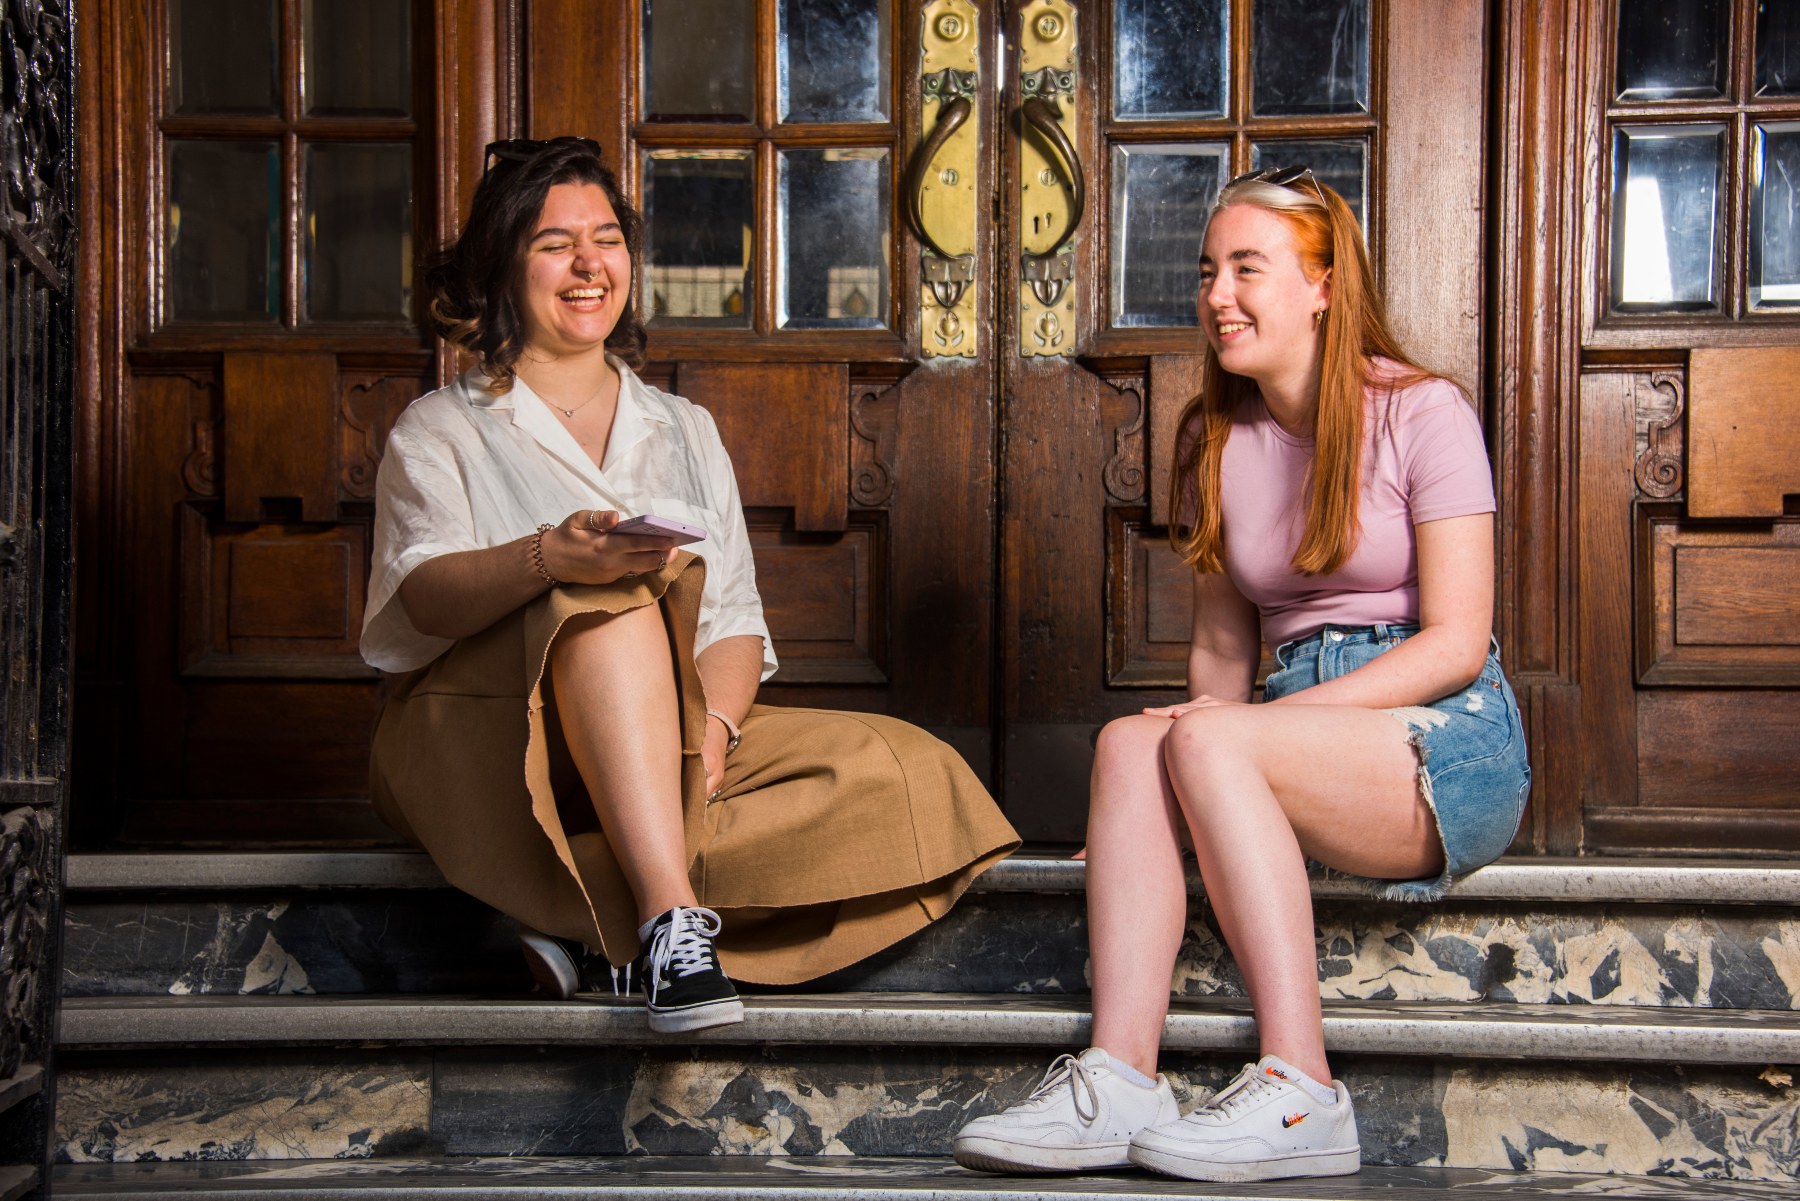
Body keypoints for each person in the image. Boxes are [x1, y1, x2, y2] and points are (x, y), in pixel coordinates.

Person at [360, 136, 1017, 1034]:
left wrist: (707, 742)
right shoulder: (441, 428)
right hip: (490, 747)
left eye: (607, 238)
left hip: (658, 741)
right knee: (609, 606)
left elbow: (736, 624)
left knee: (902, 771)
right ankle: (672, 923)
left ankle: (575, 920)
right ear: (500, 268)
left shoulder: (683, 427)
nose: (590, 264)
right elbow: (424, 600)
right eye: (556, 243)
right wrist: (551, 557)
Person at [952, 166, 1529, 1182]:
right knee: (1131, 742)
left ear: (1323, 284)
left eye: (1247, 268)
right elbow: (1223, 653)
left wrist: (1250, 729)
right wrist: (1146, 804)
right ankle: (1120, 1074)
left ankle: (1304, 1089)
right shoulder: (1216, 440)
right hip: (1294, 733)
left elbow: (1457, 642)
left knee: (1206, 733)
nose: (1218, 295)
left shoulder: (1423, 411)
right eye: (1208, 270)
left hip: (1444, 734)